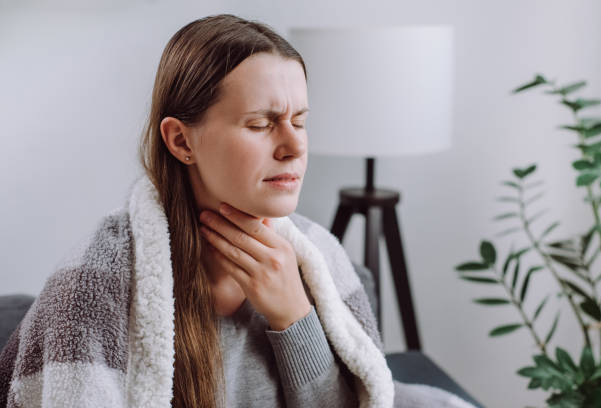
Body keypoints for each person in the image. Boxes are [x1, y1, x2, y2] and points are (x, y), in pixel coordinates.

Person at [0, 13, 479, 408]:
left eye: (300, 121)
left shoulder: (322, 260)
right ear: (181, 141)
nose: (294, 146)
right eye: (261, 123)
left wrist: (294, 316)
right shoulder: (93, 284)